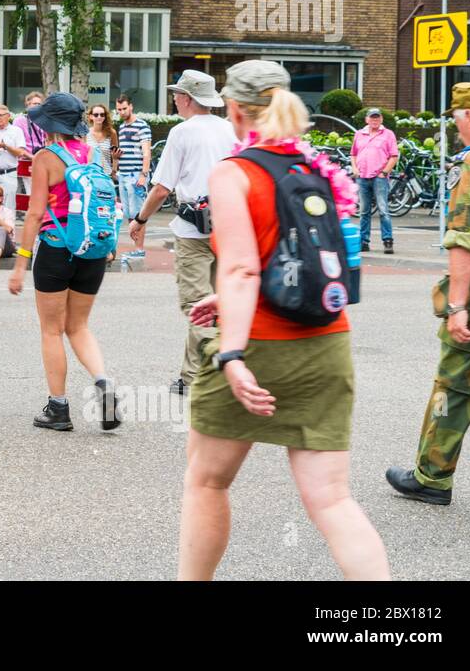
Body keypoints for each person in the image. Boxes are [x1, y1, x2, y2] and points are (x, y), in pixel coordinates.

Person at [179, 60, 387, 580]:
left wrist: (230, 352)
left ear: (234, 108)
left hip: (260, 346)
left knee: (207, 483)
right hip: (327, 343)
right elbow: (302, 261)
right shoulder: (318, 169)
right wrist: (231, 301)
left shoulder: (235, 172)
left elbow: (244, 266)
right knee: (333, 500)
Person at [387, 83, 470, 506]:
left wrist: (457, 307)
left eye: (455, 120)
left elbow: (465, 238)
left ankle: (431, 477)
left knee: (454, 387)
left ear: (468, 117)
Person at [8, 93, 119, 433]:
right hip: (92, 251)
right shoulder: (93, 153)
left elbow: (36, 214)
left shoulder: (46, 157)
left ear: (50, 124)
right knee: (79, 326)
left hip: (57, 248)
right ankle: (103, 383)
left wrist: (20, 265)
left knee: (52, 330)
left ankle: (58, 407)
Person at [129, 71, 234, 395]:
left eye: (177, 94)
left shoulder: (182, 133)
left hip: (193, 229)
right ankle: (191, 376)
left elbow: (162, 188)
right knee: (219, 304)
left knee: (196, 305)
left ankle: (214, 374)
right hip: (229, 225)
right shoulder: (230, 130)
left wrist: (140, 219)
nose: (174, 98)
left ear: (188, 98)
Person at [351, 107, 398, 255]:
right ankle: (364, 241)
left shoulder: (388, 134)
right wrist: (355, 169)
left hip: (379, 177)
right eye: (372, 118)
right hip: (362, 177)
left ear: (381, 119)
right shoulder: (359, 134)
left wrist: (384, 172)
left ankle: (387, 240)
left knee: (383, 210)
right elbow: (353, 154)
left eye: (377, 118)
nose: (374, 120)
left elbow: (394, 156)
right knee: (364, 211)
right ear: (367, 119)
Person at [115, 93, 151, 260]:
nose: (122, 112)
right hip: (123, 174)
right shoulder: (121, 128)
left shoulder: (142, 126)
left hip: (136, 174)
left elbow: (146, 152)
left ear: (131, 106)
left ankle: (139, 249)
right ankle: (136, 248)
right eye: (119, 109)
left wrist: (143, 174)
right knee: (129, 214)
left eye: (124, 108)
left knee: (139, 214)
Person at [0, 104, 27, 212]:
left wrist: (6, 147)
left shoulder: (16, 131)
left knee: (8, 207)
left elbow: (21, 152)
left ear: (8, 116)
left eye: (1, 115)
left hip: (9, 174)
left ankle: (7, 228)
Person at [84, 103, 118, 179]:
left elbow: (115, 155)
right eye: (96, 115)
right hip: (90, 175)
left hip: (106, 175)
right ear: (91, 116)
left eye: (102, 115)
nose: (99, 117)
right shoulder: (86, 133)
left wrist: (114, 171)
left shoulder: (111, 133)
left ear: (105, 117)